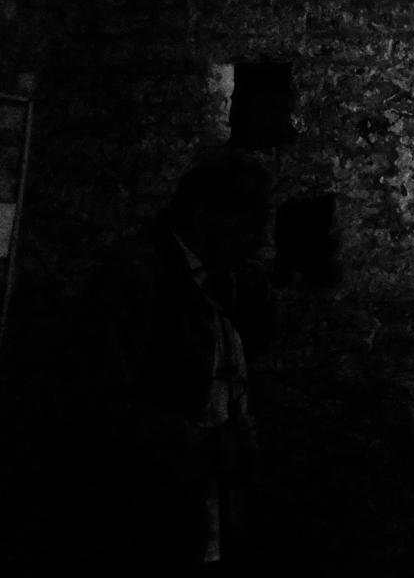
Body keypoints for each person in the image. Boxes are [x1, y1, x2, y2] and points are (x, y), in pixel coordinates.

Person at [80, 148, 276, 573]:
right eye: (249, 224)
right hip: (147, 524)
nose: (260, 241)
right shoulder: (134, 279)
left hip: (200, 517)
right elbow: (97, 408)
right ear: (206, 217)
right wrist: (208, 446)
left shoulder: (216, 281)